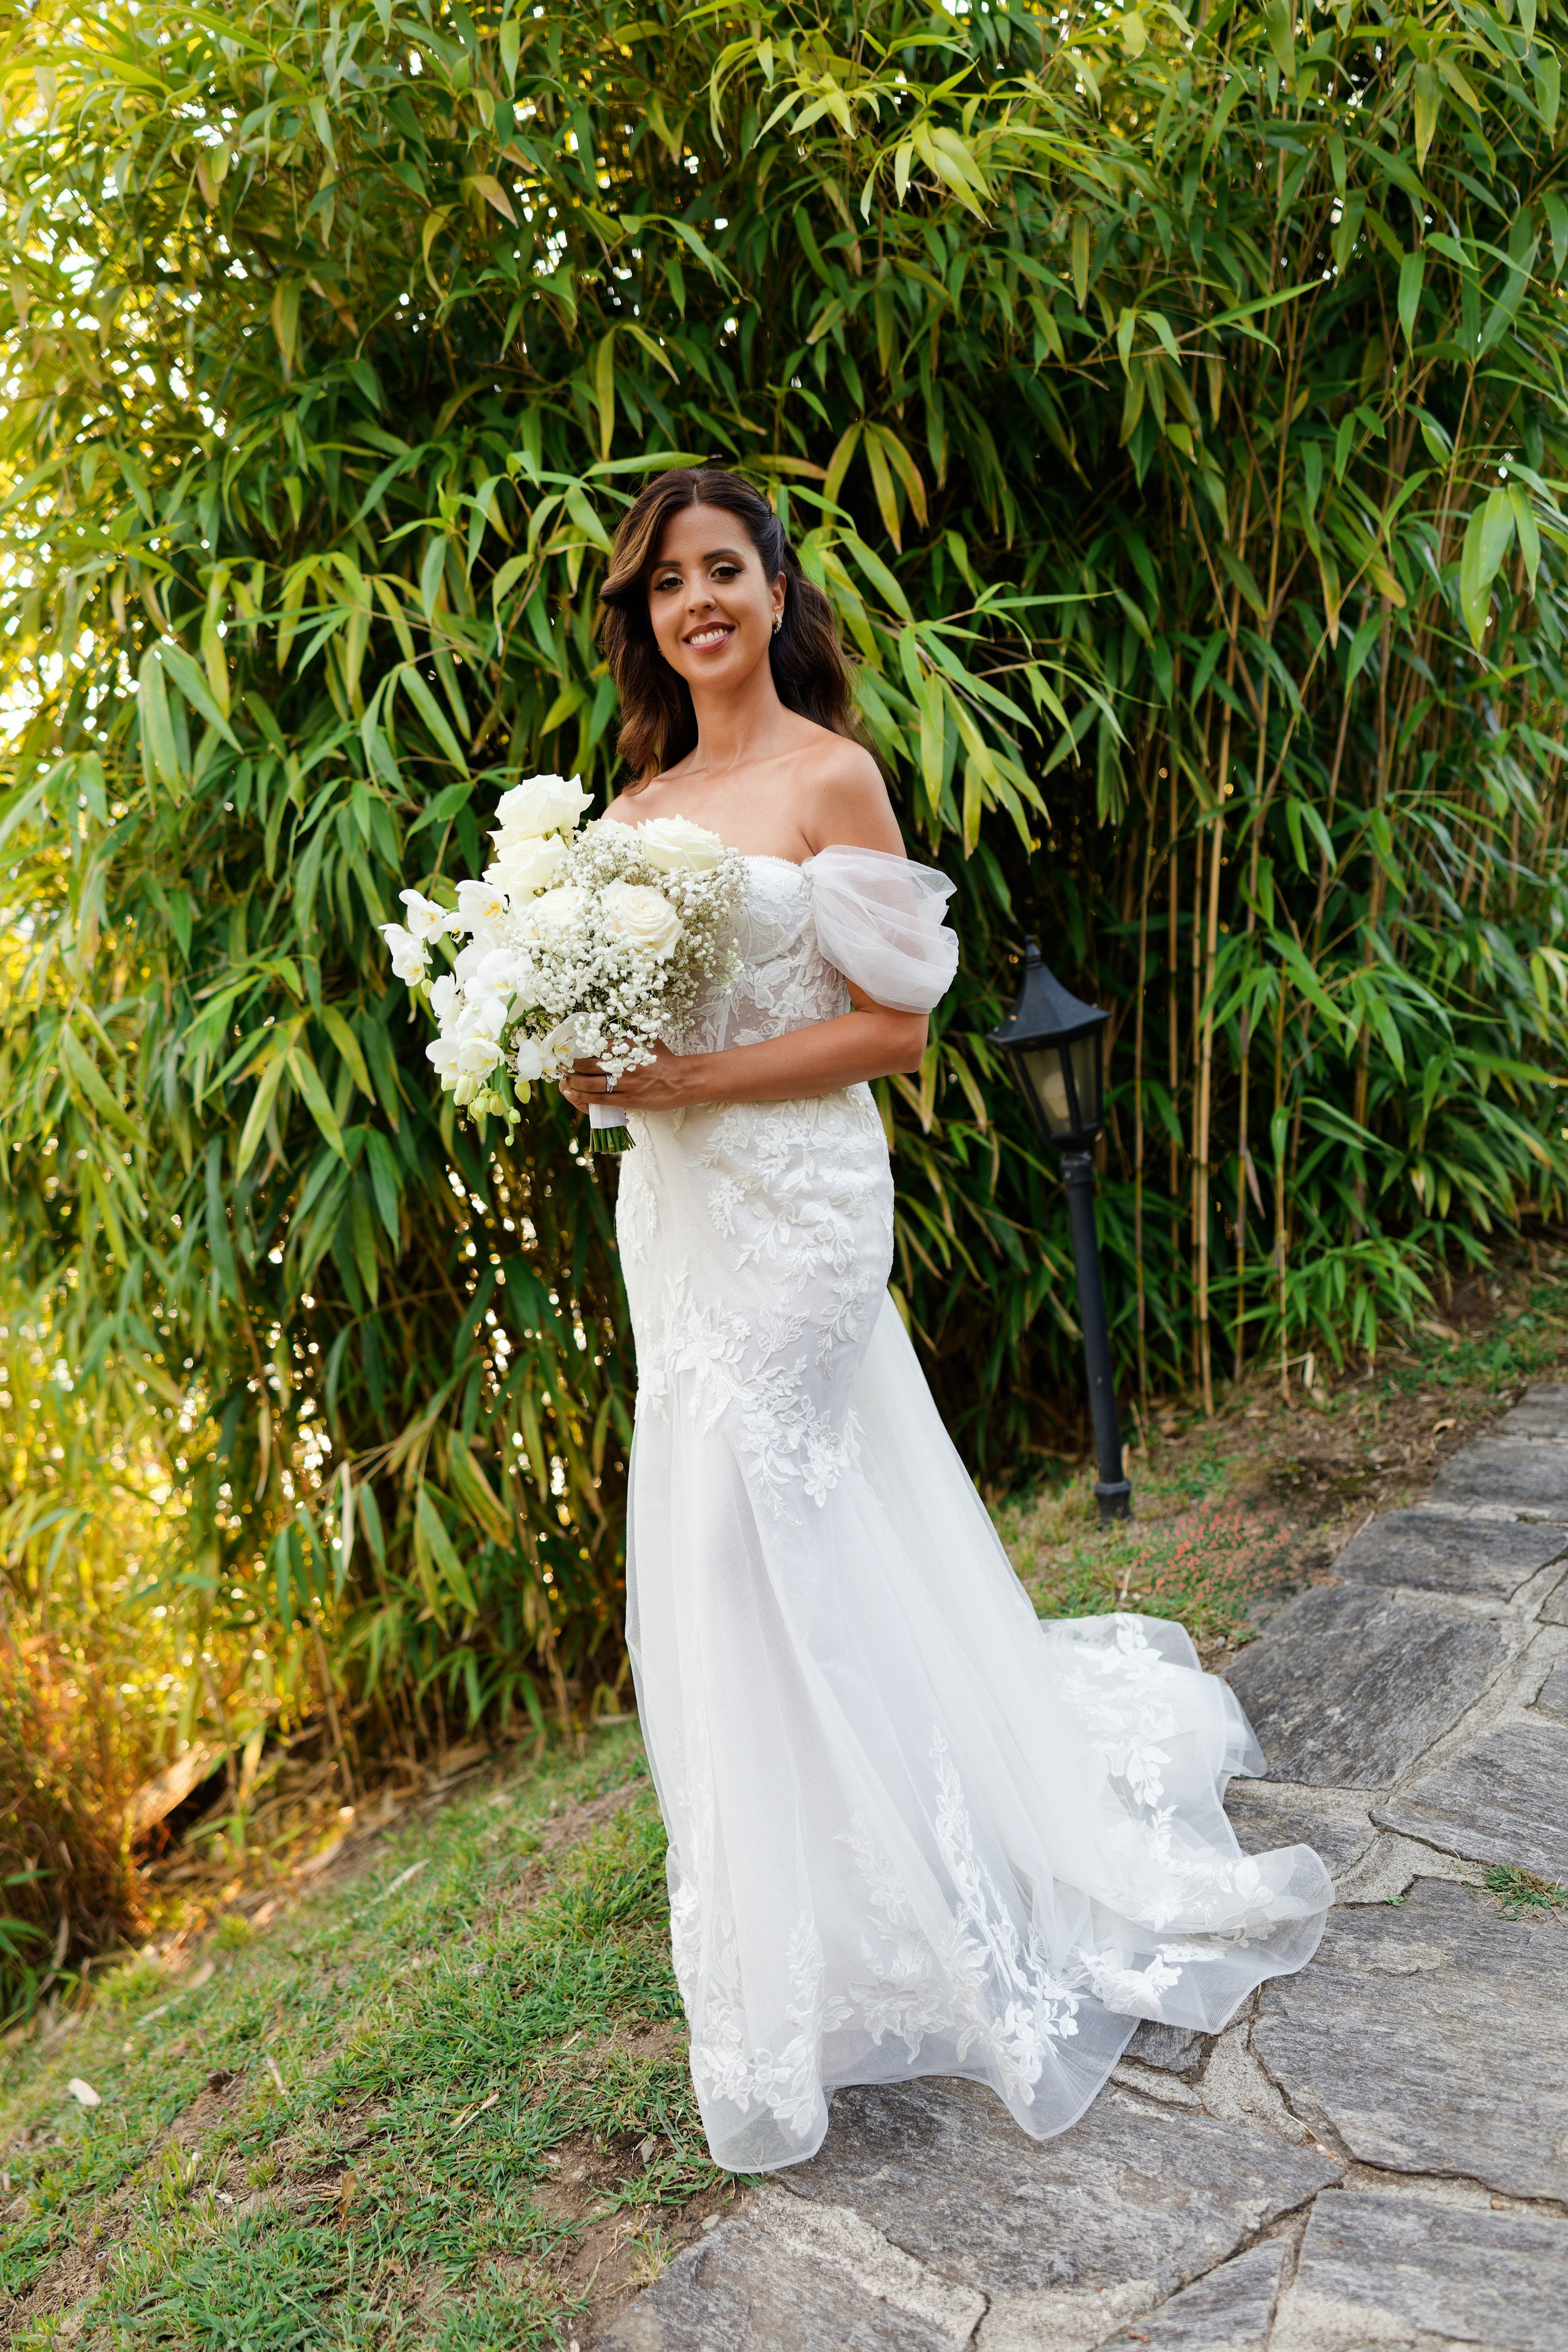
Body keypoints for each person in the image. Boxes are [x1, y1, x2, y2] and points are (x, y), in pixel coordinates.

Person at [558, 467, 1330, 2174]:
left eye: (723, 569)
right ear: (645, 617)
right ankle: (806, 1923)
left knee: (746, 1532)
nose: (698, 601)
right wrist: (576, 1049)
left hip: (804, 1206)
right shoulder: (622, 816)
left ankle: (913, 1889)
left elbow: (893, 1030)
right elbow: (618, 1037)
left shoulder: (830, 773)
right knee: (725, 1546)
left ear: (774, 591)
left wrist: (693, 1080)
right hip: (677, 1217)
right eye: (668, 581)